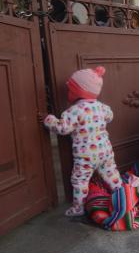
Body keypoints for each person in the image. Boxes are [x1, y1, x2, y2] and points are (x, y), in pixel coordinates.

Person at [43, 66, 125, 226]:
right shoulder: (102, 107)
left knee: (80, 180)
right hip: (105, 151)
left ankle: (78, 207)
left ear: (79, 91)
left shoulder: (74, 111)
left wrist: (49, 119)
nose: (68, 93)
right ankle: (122, 194)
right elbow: (110, 116)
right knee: (111, 173)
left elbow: (62, 128)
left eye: (70, 89)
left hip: (86, 156)